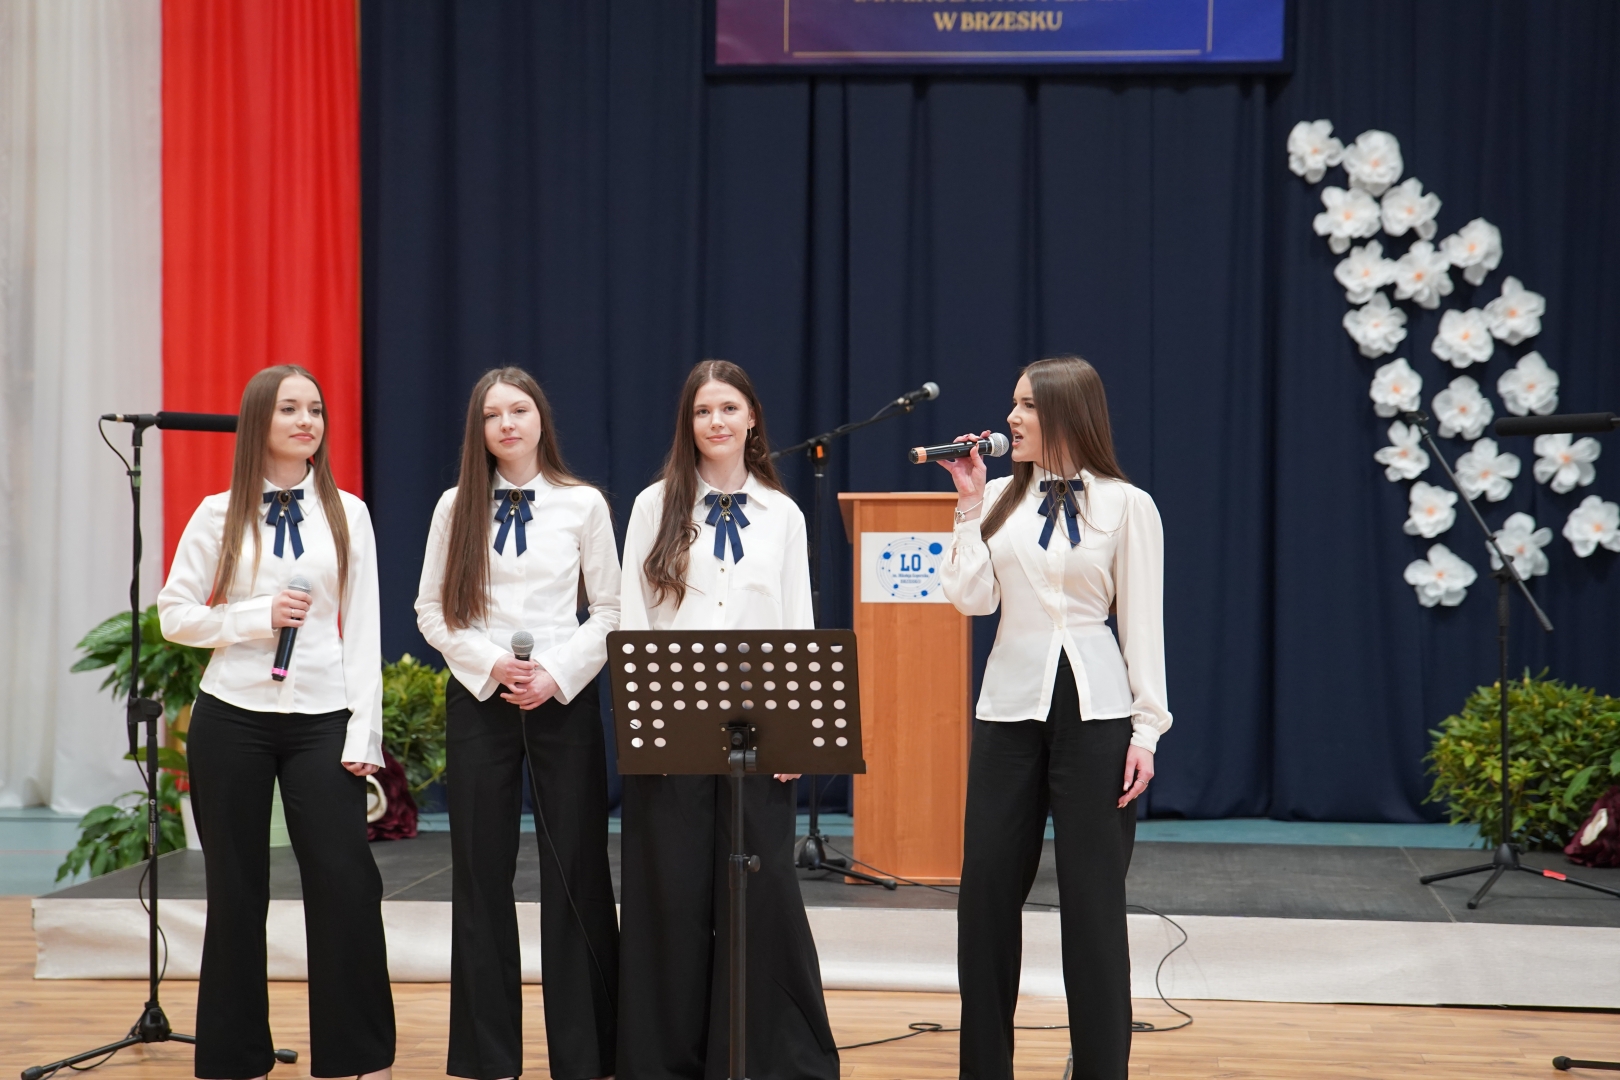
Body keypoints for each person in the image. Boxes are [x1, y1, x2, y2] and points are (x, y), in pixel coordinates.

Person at [157, 365, 394, 1080]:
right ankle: (236, 1057)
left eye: (315, 410)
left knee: (345, 882)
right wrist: (255, 617)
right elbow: (175, 615)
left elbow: (365, 629)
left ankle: (356, 1056)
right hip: (232, 715)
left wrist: (365, 731)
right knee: (235, 889)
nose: (306, 422)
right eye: (290, 409)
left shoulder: (348, 512)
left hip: (322, 715)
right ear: (259, 420)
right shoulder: (218, 512)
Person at [937, 355, 1170, 1080]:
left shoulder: (1127, 505)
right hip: (1009, 709)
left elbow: (1143, 625)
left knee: (1093, 903)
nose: (1012, 417)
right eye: (1014, 403)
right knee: (985, 897)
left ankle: (1100, 1067)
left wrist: (1146, 730)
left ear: (1070, 413)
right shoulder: (996, 496)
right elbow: (971, 599)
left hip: (1097, 713)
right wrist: (967, 505)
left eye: (1029, 406)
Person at [616, 360, 838, 1080]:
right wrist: (645, 723)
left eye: (729, 408)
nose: (716, 421)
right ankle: (665, 1059)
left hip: (759, 730)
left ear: (752, 419)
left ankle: (762, 1056)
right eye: (703, 410)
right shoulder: (654, 505)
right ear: (688, 424)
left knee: (759, 893)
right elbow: (633, 618)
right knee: (672, 892)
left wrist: (798, 731)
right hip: (675, 724)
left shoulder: (782, 514)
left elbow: (798, 623)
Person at [415, 367, 621, 1080]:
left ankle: (588, 1054)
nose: (507, 424)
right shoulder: (455, 506)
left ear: (541, 419)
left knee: (578, 869)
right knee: (480, 873)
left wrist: (555, 673)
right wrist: (493, 663)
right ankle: (487, 1057)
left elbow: (611, 610)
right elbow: (432, 610)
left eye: (519, 410)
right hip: (482, 696)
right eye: (492, 414)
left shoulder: (582, 503)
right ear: (478, 430)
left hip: (561, 697)